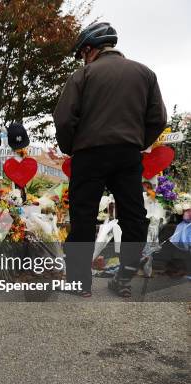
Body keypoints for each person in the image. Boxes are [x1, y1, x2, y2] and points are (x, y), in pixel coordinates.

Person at [54, 22, 167, 298]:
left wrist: (72, 147)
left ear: (90, 49)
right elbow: (159, 119)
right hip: (127, 154)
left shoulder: (83, 75)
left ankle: (80, 283)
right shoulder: (145, 74)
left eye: (83, 52)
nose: (83, 57)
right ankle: (124, 278)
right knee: (134, 217)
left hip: (89, 154)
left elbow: (64, 118)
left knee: (82, 217)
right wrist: (137, 142)